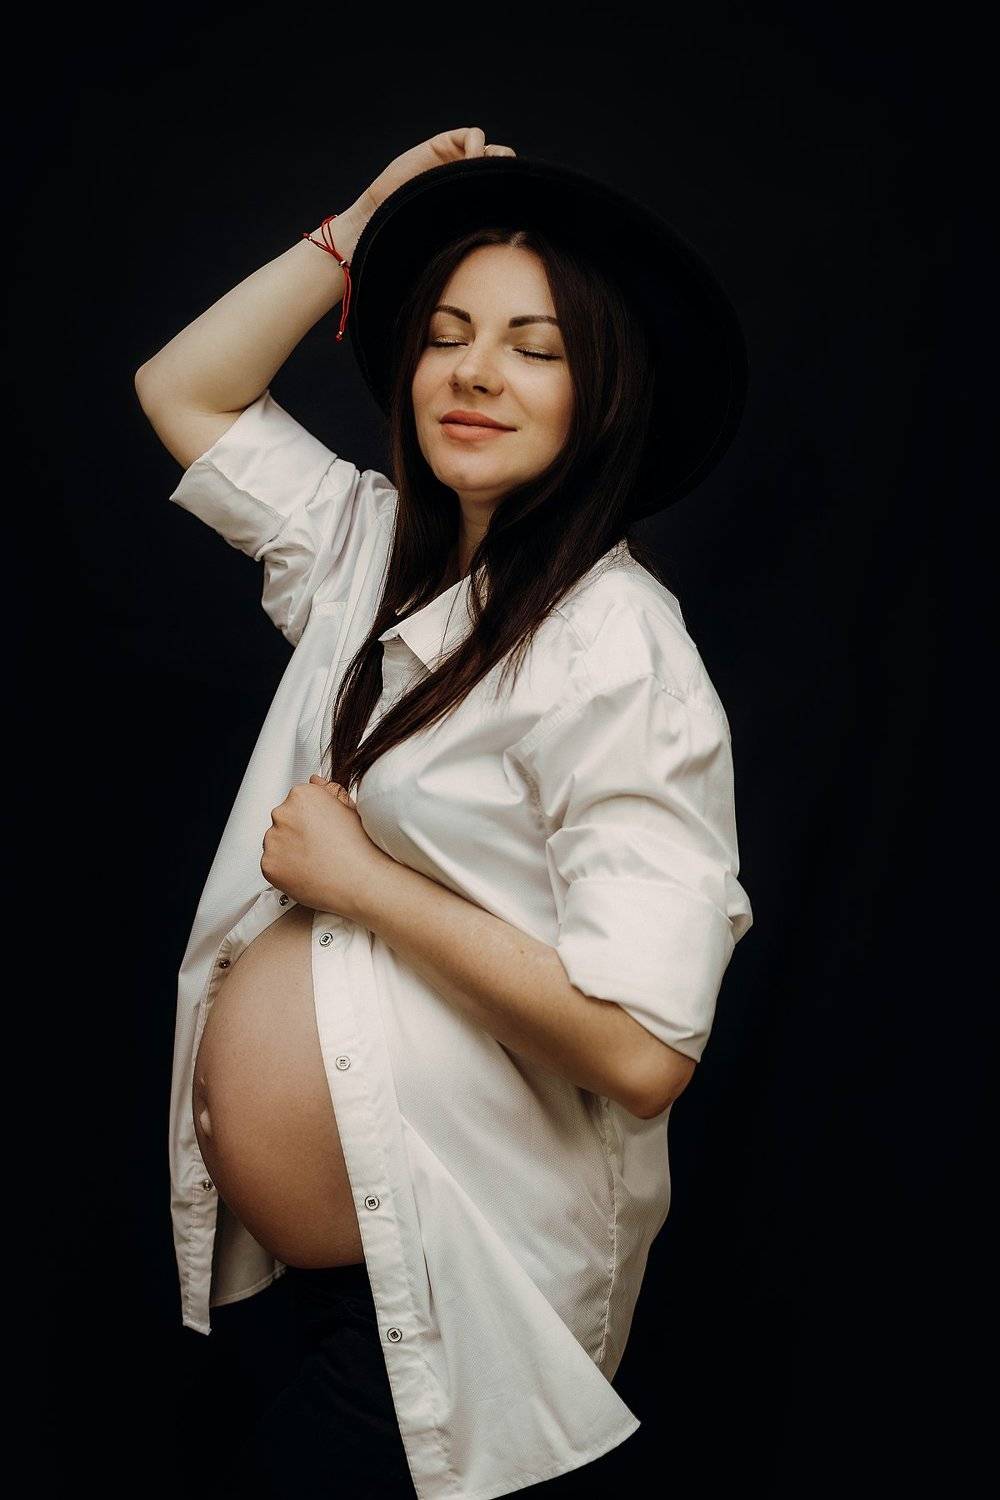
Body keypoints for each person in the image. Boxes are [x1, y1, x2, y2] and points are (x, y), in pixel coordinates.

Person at [136, 126, 754, 1499]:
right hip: (323, 1271)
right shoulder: (368, 553)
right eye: (446, 334)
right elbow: (183, 390)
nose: (474, 373)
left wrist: (361, 884)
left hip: (458, 1290)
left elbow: (644, 1051)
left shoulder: (618, 649)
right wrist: (357, 232)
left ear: (606, 393)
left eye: (536, 348)